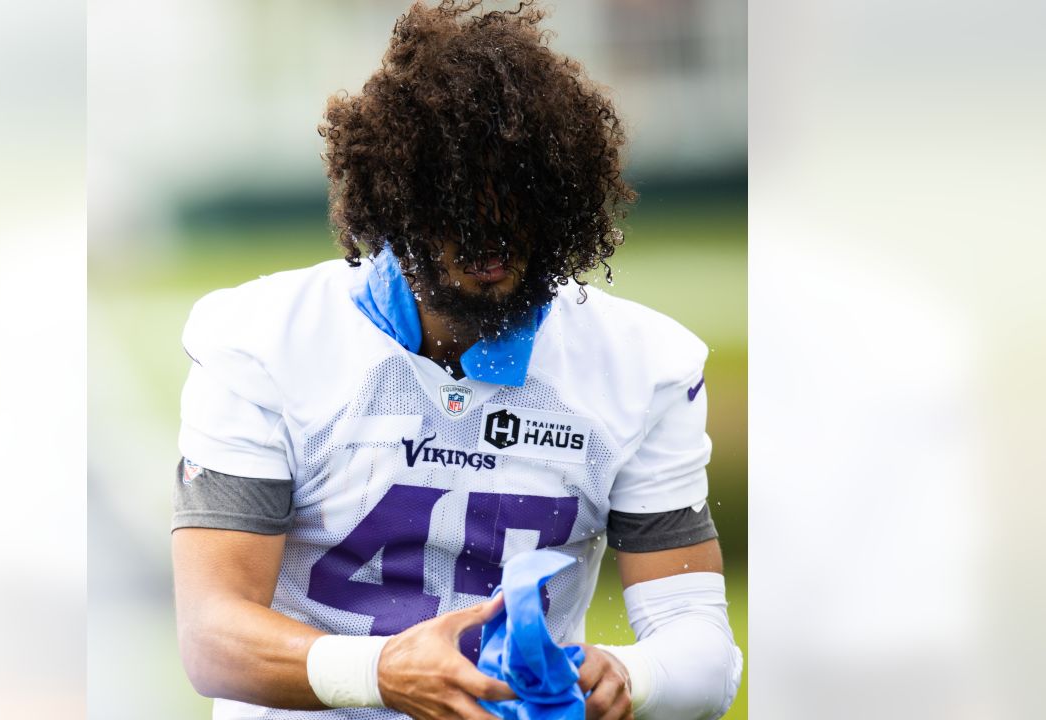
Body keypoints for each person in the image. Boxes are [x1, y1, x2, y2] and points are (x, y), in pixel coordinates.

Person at [171, 2, 743, 719]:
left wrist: (624, 675)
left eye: (518, 208)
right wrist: (382, 672)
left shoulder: (642, 366)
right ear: (392, 198)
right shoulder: (265, 340)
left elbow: (702, 648)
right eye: (457, 209)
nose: (488, 242)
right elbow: (212, 637)